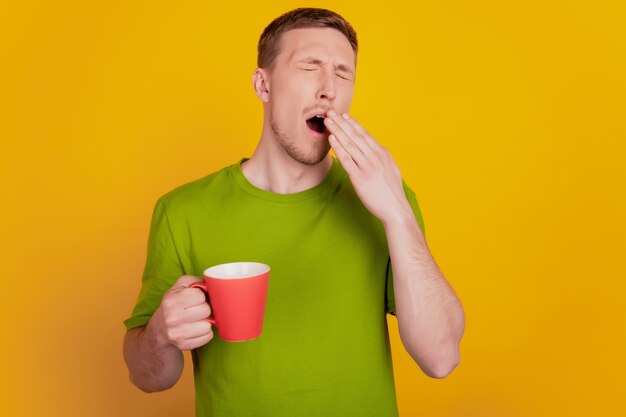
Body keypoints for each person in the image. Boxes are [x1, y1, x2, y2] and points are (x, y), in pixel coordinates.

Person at [123, 7, 465, 417]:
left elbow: (441, 358)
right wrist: (160, 333)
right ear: (262, 84)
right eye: (310, 67)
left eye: (343, 73)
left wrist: (398, 214)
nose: (329, 89)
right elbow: (147, 378)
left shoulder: (387, 200)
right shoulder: (182, 210)